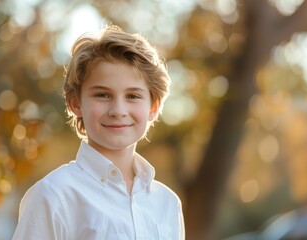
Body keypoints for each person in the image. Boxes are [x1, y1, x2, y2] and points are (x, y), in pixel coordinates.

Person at [12, 24, 185, 240]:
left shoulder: (167, 203)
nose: (118, 111)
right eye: (102, 95)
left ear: (153, 107)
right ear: (75, 103)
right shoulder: (53, 196)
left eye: (133, 96)